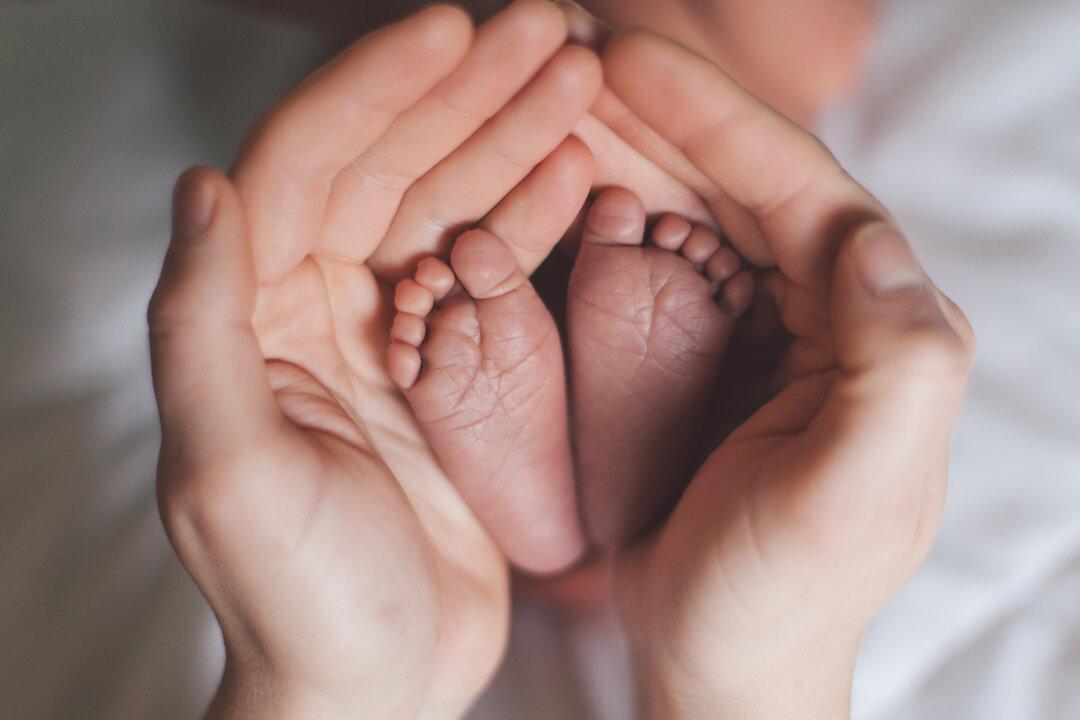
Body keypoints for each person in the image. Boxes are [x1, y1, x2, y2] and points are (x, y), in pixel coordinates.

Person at [146, 4, 974, 718]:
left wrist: (329, 694)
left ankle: (554, 532)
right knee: (814, 48)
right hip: (667, 156)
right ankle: (594, 511)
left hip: (445, 164)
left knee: (386, 104)